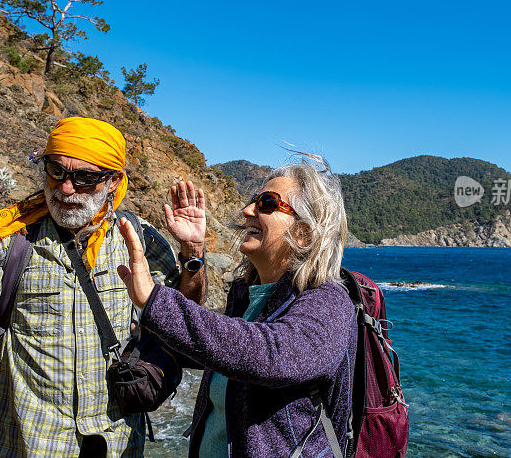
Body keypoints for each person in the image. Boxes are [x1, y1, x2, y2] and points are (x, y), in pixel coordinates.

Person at [0, 117, 207, 458]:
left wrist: (193, 254)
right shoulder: (8, 239)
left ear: (113, 181)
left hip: (118, 445)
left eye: (85, 178)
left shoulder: (138, 237)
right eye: (56, 171)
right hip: (25, 446)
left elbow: (185, 318)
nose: (66, 188)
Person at [117, 155, 357, 457]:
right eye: (253, 200)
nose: (246, 211)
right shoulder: (247, 295)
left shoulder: (328, 302)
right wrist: (193, 251)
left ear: (304, 232)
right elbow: (217, 347)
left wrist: (155, 300)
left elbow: (270, 356)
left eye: (267, 203)